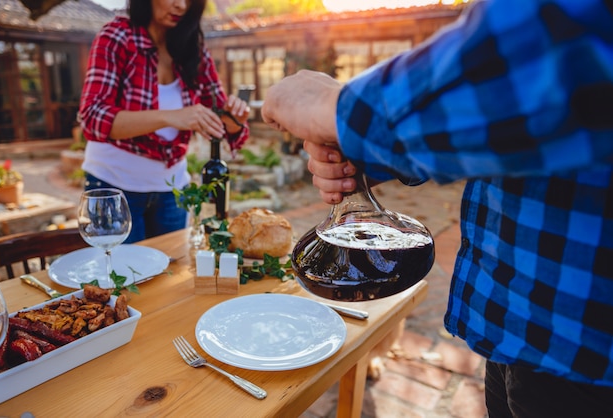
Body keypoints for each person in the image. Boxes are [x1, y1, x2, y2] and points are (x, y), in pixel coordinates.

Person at [261, 0, 613, 416]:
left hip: (585, 345)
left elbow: (551, 48)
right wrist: (367, 154)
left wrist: (332, 108)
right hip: (520, 328)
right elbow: (526, 128)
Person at [78, 0, 250, 243]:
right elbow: (93, 117)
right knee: (123, 276)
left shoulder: (193, 48)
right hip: (114, 186)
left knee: (168, 275)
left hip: (172, 190)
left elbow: (218, 119)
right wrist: (169, 116)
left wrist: (235, 120)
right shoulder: (117, 37)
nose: (180, 5)